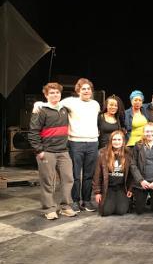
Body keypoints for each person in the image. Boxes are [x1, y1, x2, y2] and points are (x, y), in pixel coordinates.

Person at [28, 82, 77, 220]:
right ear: (46, 95)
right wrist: (39, 150)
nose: (55, 95)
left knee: (68, 179)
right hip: (47, 151)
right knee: (48, 181)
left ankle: (66, 206)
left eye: (57, 93)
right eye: (52, 93)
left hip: (63, 151)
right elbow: (33, 132)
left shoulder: (64, 109)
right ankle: (49, 208)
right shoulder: (41, 110)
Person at [62, 78, 101, 213]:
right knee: (76, 175)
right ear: (78, 90)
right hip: (76, 142)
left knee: (89, 175)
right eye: (83, 88)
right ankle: (75, 201)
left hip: (92, 142)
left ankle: (86, 201)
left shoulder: (96, 104)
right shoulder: (71, 102)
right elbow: (54, 104)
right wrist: (39, 104)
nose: (86, 91)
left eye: (88, 89)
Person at [93, 130, 133, 216]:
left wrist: (130, 189)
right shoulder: (102, 153)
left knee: (121, 211)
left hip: (121, 187)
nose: (117, 142)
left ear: (123, 141)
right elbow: (97, 175)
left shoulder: (128, 154)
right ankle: (112, 202)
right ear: (111, 141)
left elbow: (131, 174)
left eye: (119, 140)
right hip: (108, 188)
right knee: (106, 211)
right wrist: (97, 192)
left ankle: (118, 202)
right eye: (114, 139)